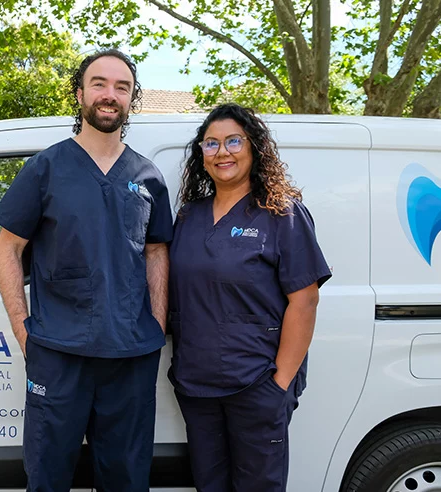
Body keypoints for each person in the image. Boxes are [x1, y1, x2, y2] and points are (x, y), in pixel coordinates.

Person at [0, 48, 173, 492]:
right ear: (80, 94)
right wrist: (22, 329)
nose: (110, 95)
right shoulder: (46, 168)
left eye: (122, 87)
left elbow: (156, 253)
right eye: (99, 84)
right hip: (57, 353)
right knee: (48, 478)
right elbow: (9, 248)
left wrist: (157, 324)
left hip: (130, 357)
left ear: (131, 100)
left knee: (127, 481)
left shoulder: (147, 176)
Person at [168, 103, 331, 492]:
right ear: (201, 156)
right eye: (211, 144)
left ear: (254, 148)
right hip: (196, 386)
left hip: (256, 384)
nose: (223, 152)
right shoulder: (189, 217)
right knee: (210, 485)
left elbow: (305, 301)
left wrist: (280, 384)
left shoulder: (281, 215)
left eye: (233, 141)